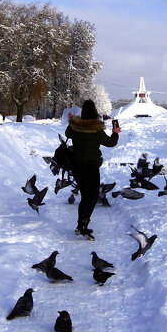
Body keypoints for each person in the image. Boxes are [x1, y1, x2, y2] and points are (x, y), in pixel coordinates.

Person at [65, 100, 120, 239]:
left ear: (83, 112)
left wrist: (72, 121)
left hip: (77, 166)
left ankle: (80, 225)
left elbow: (68, 134)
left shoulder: (75, 126)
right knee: (93, 196)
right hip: (91, 167)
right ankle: (83, 225)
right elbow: (111, 143)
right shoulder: (97, 128)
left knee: (85, 196)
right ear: (95, 112)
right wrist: (115, 132)